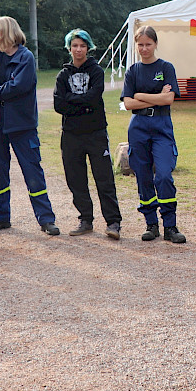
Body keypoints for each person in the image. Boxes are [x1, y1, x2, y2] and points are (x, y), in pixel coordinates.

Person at [0, 16, 59, 236]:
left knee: (33, 172)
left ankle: (46, 219)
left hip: (22, 125)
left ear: (7, 31)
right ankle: (0, 216)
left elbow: (20, 85)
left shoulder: (26, 57)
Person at [54, 28, 121, 240]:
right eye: (75, 46)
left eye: (82, 46)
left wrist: (71, 101)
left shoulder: (96, 71)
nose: (78, 49)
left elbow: (94, 98)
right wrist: (81, 105)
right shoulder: (63, 75)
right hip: (71, 135)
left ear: (88, 47)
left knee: (104, 178)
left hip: (96, 133)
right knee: (76, 179)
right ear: (69, 48)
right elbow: (58, 104)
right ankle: (85, 220)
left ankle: (113, 222)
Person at [121, 25, 186, 244]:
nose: (144, 48)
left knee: (164, 175)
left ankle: (170, 225)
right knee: (143, 176)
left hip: (161, 125)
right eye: (140, 44)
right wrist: (153, 96)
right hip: (138, 126)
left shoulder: (166, 67)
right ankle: (151, 224)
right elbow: (128, 103)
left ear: (156, 44)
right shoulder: (133, 71)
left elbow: (168, 100)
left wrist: (140, 94)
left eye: (148, 44)